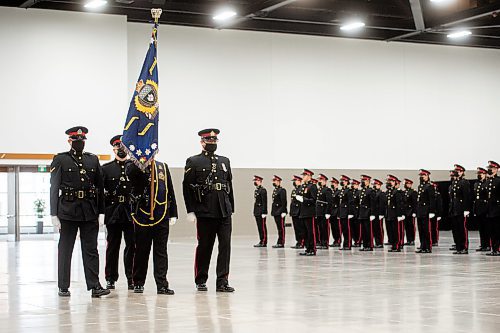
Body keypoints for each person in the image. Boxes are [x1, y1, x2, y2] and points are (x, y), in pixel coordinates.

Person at [49, 126, 109, 298]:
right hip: (67, 211)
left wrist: (101, 212)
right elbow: (54, 188)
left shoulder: (92, 160)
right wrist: (54, 214)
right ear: (70, 141)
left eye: (82, 140)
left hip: (89, 211)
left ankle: (95, 285)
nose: (79, 143)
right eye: (76, 140)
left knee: (91, 249)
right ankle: (63, 286)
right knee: (66, 248)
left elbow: (100, 187)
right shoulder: (60, 159)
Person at [183, 128, 235, 292]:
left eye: (214, 141)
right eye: (209, 141)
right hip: (205, 210)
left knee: (225, 246)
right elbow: (187, 187)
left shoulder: (224, 161)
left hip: (224, 210)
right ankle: (201, 279)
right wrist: (191, 210)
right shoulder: (194, 161)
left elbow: (229, 185)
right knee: (205, 246)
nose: (212, 143)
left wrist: (231, 206)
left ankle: (222, 281)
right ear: (202, 142)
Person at [127, 158, 178, 295]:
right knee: (141, 251)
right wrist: (141, 163)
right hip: (142, 215)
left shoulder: (162, 166)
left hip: (161, 215)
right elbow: (132, 175)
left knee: (161, 251)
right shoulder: (132, 165)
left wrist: (173, 213)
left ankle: (162, 284)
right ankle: (138, 282)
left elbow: (169, 191)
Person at [102, 135, 134, 290]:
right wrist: (101, 213)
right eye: (117, 148)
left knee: (132, 246)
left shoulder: (135, 166)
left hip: (130, 212)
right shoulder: (106, 169)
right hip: (113, 211)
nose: (120, 150)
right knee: (112, 246)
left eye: (123, 148)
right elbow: (100, 192)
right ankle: (110, 278)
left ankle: (131, 278)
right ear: (113, 149)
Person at [449, 164, 471, 254]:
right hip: (455, 209)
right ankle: (459, 247)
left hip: (461, 209)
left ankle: (464, 247)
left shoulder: (464, 182)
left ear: (462, 172)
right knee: (456, 229)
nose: (456, 173)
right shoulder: (454, 183)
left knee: (462, 229)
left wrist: (466, 209)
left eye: (457, 171)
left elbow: (466, 197)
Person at [296, 169, 318, 256]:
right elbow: (298, 193)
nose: (303, 177)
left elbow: (313, 200)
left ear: (309, 176)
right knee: (304, 232)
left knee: (310, 232)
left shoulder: (312, 186)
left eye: (304, 175)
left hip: (309, 212)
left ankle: (312, 249)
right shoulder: (303, 186)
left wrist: (304, 199)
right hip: (303, 212)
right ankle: (307, 248)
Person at [415, 169, 436, 254]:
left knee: (427, 230)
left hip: (426, 210)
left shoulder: (429, 186)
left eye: (423, 175)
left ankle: (428, 247)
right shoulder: (420, 186)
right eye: (421, 176)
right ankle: (422, 246)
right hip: (420, 211)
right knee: (421, 230)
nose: (422, 177)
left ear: (427, 176)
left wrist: (432, 211)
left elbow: (432, 200)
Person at [385, 175, 404, 252]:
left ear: (394, 182)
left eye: (391, 181)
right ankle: (393, 245)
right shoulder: (388, 192)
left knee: (396, 231)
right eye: (388, 181)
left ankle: (397, 246)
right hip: (389, 214)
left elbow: (399, 204)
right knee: (391, 231)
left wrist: (400, 215)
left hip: (395, 214)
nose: (389, 183)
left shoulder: (397, 192)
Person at [473, 167, 490, 252]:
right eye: (479, 174)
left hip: (485, 208)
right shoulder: (476, 184)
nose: (480, 175)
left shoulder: (487, 183)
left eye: (481, 174)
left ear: (485, 174)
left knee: (487, 228)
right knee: (481, 228)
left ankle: (488, 245)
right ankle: (483, 244)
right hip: (478, 208)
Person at [485, 161, 500, 256]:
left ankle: (497, 248)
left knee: (497, 230)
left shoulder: (498, 181)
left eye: (491, 168)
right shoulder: (488, 181)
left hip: (497, 209)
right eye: (489, 168)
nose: (489, 169)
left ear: (496, 169)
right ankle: (494, 249)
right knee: (491, 230)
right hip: (489, 209)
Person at [315, 174, 333, 249]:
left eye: (321, 180)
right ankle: (321, 242)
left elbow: (330, 202)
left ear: (325, 181)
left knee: (324, 228)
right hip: (318, 212)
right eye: (319, 180)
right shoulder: (319, 190)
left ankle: (325, 243)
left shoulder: (327, 190)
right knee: (319, 228)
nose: (319, 181)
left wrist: (328, 212)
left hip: (324, 211)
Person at [358, 175, 376, 251]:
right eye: (362, 180)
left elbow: (373, 203)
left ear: (368, 182)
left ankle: (370, 245)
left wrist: (372, 214)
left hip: (368, 213)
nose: (362, 182)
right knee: (363, 231)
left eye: (364, 181)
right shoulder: (361, 191)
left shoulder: (370, 191)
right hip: (362, 213)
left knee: (369, 230)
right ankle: (365, 245)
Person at [271, 175, 287, 248]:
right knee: (278, 228)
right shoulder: (275, 190)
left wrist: (284, 211)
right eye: (273, 181)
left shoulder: (282, 190)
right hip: (276, 211)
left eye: (275, 181)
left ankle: (281, 242)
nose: (273, 182)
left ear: (279, 181)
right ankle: (279, 241)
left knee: (281, 228)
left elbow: (284, 201)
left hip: (280, 211)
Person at [339, 175, 354, 250]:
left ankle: (348, 244)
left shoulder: (349, 191)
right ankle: (345, 244)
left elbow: (351, 202)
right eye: (341, 181)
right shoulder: (342, 191)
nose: (342, 182)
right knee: (343, 230)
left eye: (344, 181)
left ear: (347, 182)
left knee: (347, 230)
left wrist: (350, 213)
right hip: (342, 213)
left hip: (346, 213)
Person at [252, 175, 268, 247]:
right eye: (255, 181)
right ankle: (261, 240)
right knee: (259, 227)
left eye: (256, 181)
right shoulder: (257, 190)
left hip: (261, 211)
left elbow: (264, 202)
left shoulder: (263, 190)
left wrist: (264, 212)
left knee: (262, 227)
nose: (255, 182)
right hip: (257, 211)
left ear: (260, 181)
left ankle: (264, 241)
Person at [290, 175, 305, 249]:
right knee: (296, 228)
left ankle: (302, 241)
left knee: (300, 228)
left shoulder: (302, 189)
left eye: (295, 181)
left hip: (299, 211)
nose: (294, 182)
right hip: (294, 211)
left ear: (299, 181)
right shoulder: (294, 190)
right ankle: (298, 241)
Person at [402, 179, 417, 246]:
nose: (407, 185)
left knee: (411, 226)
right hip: (405, 212)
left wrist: (414, 211)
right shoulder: (404, 192)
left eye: (408, 184)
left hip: (411, 211)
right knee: (406, 227)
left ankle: (412, 240)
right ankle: (408, 240)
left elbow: (415, 203)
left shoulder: (413, 192)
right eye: (406, 184)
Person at [372, 179, 385, 248]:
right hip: (374, 214)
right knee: (375, 229)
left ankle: (380, 242)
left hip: (379, 213)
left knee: (379, 228)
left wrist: (381, 214)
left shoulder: (381, 193)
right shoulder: (374, 193)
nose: (374, 186)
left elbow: (382, 204)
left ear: (379, 185)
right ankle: (377, 242)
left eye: (376, 185)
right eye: (374, 185)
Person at [329, 177, 342, 247]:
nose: (332, 184)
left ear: (336, 184)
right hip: (332, 212)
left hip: (337, 212)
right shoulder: (331, 192)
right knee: (333, 228)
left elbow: (339, 204)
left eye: (333, 183)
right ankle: (335, 240)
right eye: (331, 183)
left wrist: (339, 213)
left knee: (337, 228)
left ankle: (338, 240)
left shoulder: (339, 192)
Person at [431, 182, 443, 246]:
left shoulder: (437, 194)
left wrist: (439, 214)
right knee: (430, 228)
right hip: (430, 213)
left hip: (436, 213)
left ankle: (435, 241)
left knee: (434, 228)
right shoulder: (430, 194)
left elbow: (439, 205)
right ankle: (431, 240)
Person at [351, 179, 362, 247]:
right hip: (352, 212)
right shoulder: (351, 192)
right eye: (352, 184)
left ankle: (359, 241)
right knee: (353, 228)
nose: (352, 186)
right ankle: (355, 240)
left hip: (357, 212)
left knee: (358, 228)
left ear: (357, 185)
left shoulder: (359, 192)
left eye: (354, 184)